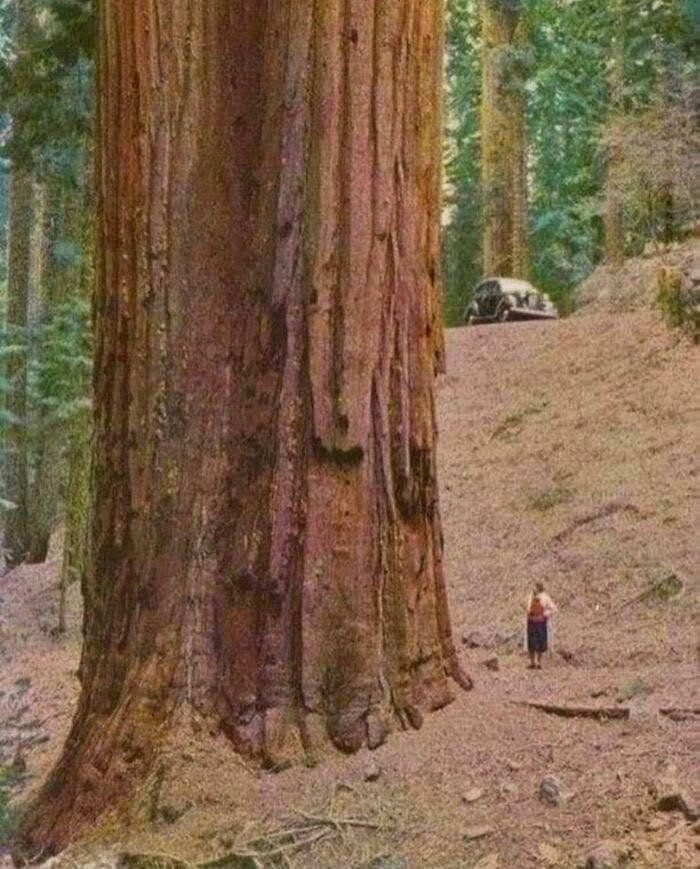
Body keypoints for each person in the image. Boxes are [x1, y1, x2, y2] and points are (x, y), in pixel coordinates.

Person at [525, 582, 557, 669]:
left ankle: (538, 662)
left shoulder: (545, 597)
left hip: (540, 623)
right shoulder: (530, 596)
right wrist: (529, 611)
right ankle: (532, 662)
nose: (533, 589)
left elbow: (553, 608)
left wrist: (545, 614)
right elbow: (528, 608)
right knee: (531, 643)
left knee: (539, 642)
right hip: (531, 621)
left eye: (535, 587)